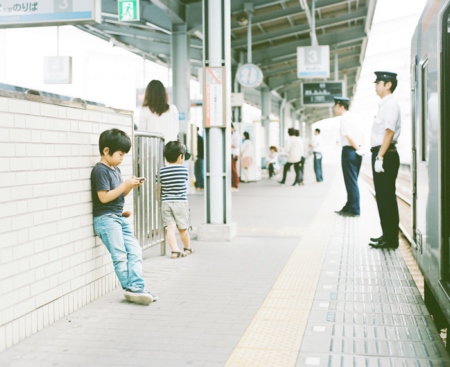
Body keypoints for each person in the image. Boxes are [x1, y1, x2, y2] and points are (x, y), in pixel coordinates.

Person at [90, 128, 158, 305]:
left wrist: (129, 186)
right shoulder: (100, 170)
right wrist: (125, 185)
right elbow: (103, 197)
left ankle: (136, 286)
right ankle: (132, 288)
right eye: (120, 154)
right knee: (120, 255)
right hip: (106, 219)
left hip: (117, 217)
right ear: (106, 151)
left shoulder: (115, 170)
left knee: (135, 250)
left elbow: (118, 196)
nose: (122, 158)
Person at [368, 71, 401, 249]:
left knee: (386, 196)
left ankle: (390, 239)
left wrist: (380, 156)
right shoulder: (384, 105)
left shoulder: (390, 104)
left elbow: (389, 132)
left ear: (388, 85)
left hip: (385, 154)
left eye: (378, 82)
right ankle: (386, 235)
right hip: (382, 153)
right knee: (382, 196)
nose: (375, 85)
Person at [159, 141, 195, 258]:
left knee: (170, 227)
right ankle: (187, 248)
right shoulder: (183, 170)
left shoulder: (161, 171)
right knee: (183, 228)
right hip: (180, 202)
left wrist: (158, 199)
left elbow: (158, 188)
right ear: (181, 156)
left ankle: (175, 250)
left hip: (166, 202)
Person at [334, 96, 363, 218]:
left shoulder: (344, 118)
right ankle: (349, 205)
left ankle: (354, 209)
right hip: (357, 151)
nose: (334, 108)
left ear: (340, 105)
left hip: (349, 151)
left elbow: (348, 136)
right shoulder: (355, 117)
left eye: (335, 105)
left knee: (350, 182)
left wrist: (356, 148)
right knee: (352, 181)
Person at [231, 123, 240, 191]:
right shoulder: (233, 134)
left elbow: (236, 145)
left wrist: (228, 144)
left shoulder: (236, 134)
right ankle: (234, 184)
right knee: (232, 169)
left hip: (234, 154)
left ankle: (235, 185)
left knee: (233, 169)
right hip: (232, 153)